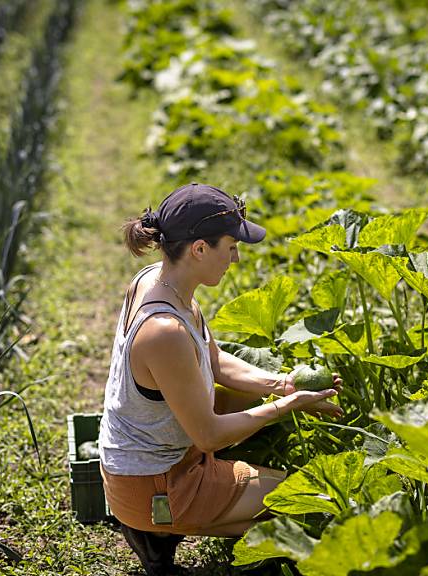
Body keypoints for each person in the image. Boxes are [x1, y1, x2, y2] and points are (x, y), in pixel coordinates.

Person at [98, 183, 343, 575]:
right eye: (230, 246)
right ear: (198, 249)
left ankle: (170, 527)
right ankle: (159, 529)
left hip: (156, 462)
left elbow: (215, 361)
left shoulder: (160, 282)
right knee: (304, 504)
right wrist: (285, 408)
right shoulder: (164, 331)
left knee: (287, 504)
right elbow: (209, 436)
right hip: (155, 485)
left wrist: (283, 385)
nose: (236, 257)